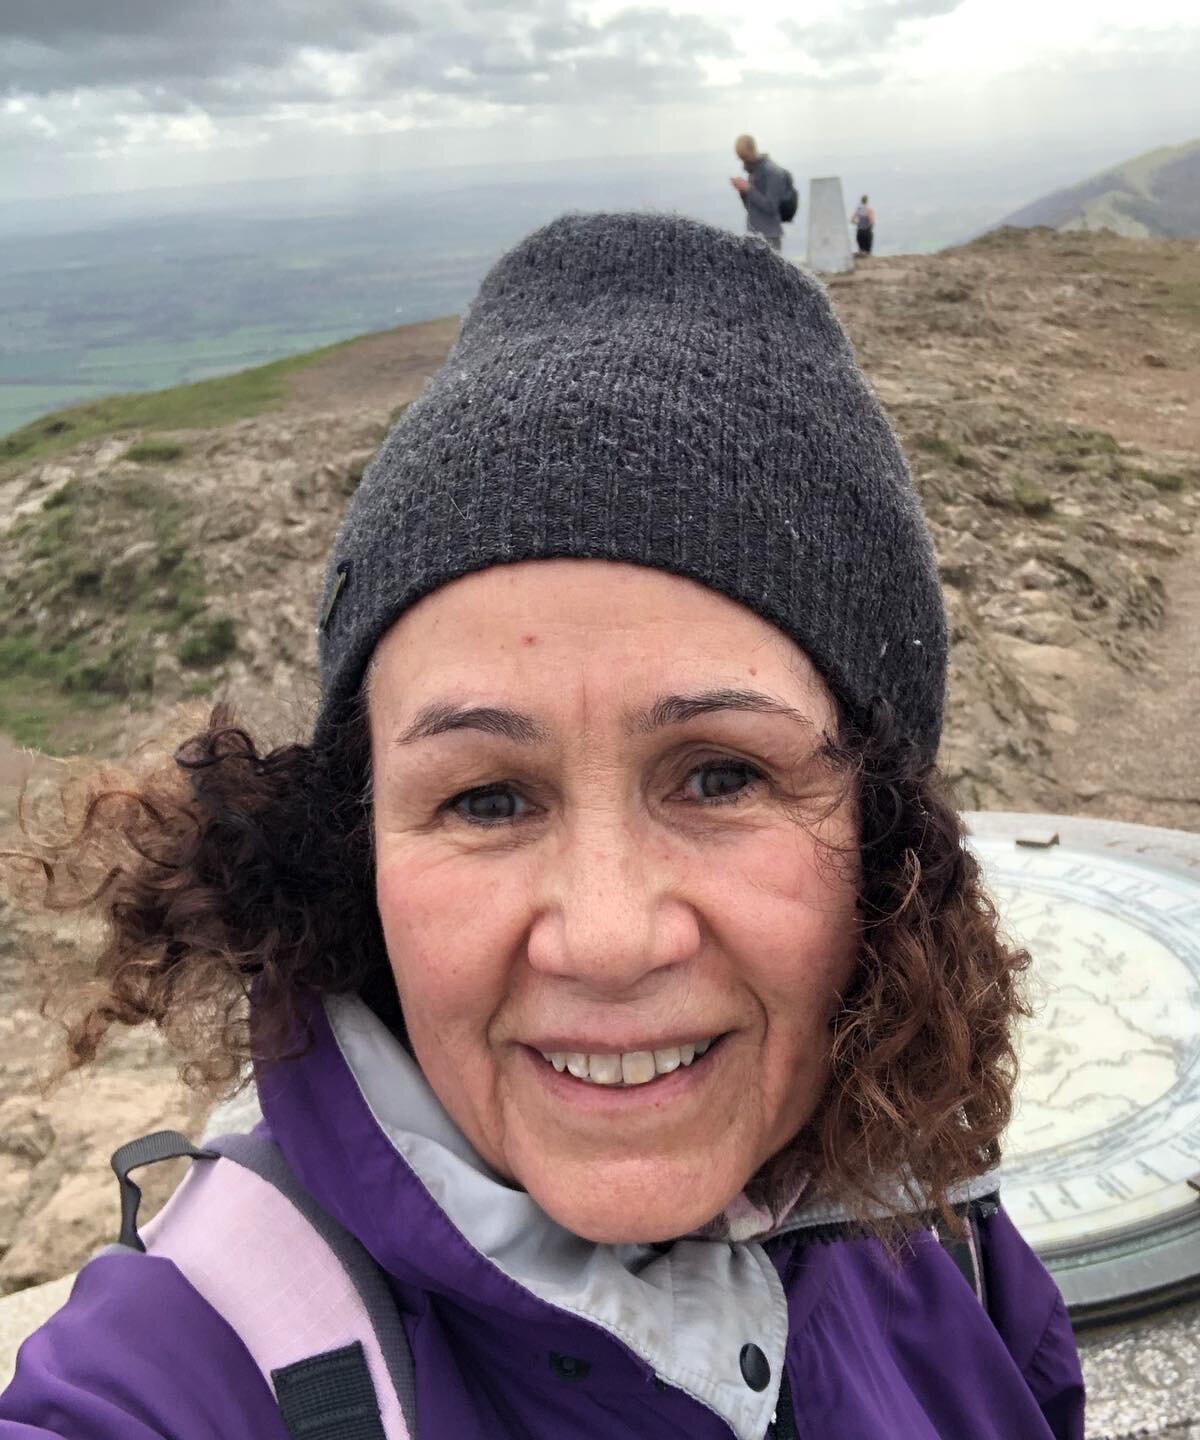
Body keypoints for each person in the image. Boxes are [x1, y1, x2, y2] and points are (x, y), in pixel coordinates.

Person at [0, 213, 1084, 1440]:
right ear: (353, 855)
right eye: (487, 797)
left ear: (891, 845)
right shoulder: (192, 1370)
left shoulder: (948, 1236)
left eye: (721, 776)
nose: (609, 940)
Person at [731, 133, 791, 251]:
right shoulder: (754, 171)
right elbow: (751, 208)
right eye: (741, 159)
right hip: (754, 234)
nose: (744, 163)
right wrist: (743, 191)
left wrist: (748, 188)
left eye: (745, 158)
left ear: (752, 151)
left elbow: (771, 207)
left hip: (770, 236)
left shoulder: (772, 171)